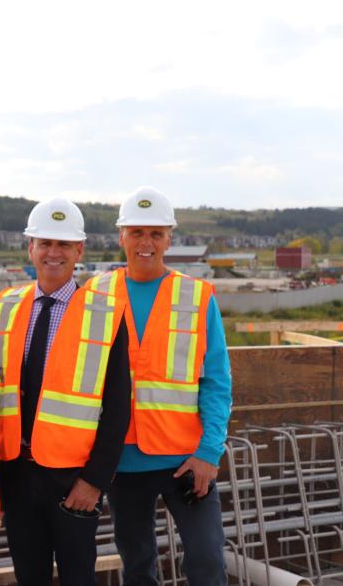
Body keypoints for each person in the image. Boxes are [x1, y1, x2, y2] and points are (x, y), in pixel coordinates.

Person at [0, 198, 131, 586]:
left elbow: (118, 407)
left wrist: (94, 481)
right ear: (30, 247)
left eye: (64, 245)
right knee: (28, 578)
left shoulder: (106, 314)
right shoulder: (6, 306)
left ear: (79, 250)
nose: (54, 253)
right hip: (17, 474)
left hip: (74, 482)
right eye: (45, 243)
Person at [108, 186, 232, 586]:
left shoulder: (196, 297)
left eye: (156, 234)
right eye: (138, 233)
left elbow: (215, 380)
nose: (147, 243)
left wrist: (209, 451)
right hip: (122, 463)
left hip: (186, 461)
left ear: (169, 239)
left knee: (208, 562)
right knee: (138, 566)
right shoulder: (96, 295)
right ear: (121, 236)